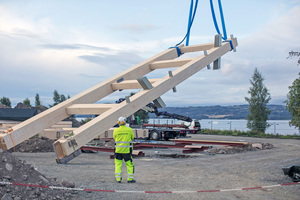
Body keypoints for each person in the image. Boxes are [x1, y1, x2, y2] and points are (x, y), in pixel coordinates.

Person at [113, 116, 136, 183]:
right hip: (127, 151)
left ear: (118, 123)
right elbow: (132, 137)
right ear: (125, 122)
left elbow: (114, 138)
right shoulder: (129, 130)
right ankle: (130, 179)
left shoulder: (116, 131)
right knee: (129, 165)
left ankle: (118, 179)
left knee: (118, 165)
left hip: (118, 151)